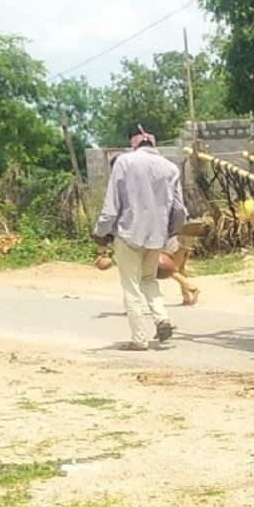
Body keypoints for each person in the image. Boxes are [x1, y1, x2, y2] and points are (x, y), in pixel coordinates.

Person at [93, 122, 187, 351]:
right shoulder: (170, 168)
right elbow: (179, 209)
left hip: (129, 234)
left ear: (132, 142)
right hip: (156, 237)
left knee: (132, 286)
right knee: (149, 280)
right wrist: (170, 231)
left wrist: (100, 231)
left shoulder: (125, 161)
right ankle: (162, 318)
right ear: (153, 141)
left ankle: (139, 339)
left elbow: (112, 206)